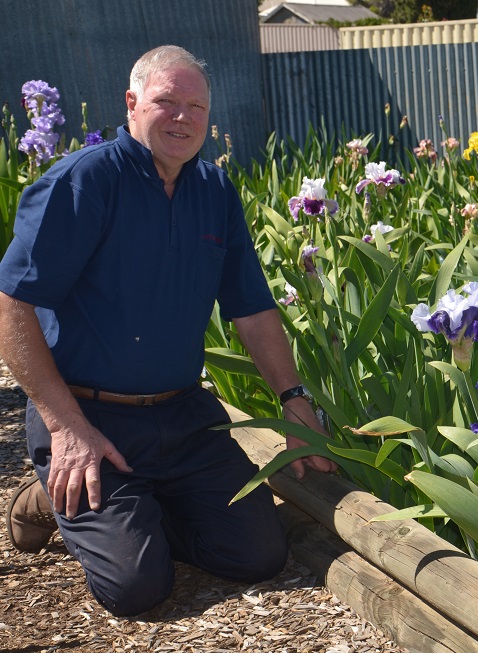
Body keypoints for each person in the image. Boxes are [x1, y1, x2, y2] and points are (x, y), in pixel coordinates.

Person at [0, 45, 336, 617]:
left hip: (183, 419)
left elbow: (252, 308)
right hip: (90, 415)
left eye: (196, 106)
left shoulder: (214, 190)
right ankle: (45, 500)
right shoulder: (83, 183)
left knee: (257, 554)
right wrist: (64, 424)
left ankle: (137, 512)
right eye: (166, 102)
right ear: (131, 104)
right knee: (137, 588)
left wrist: (293, 401)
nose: (183, 117)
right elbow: (11, 305)